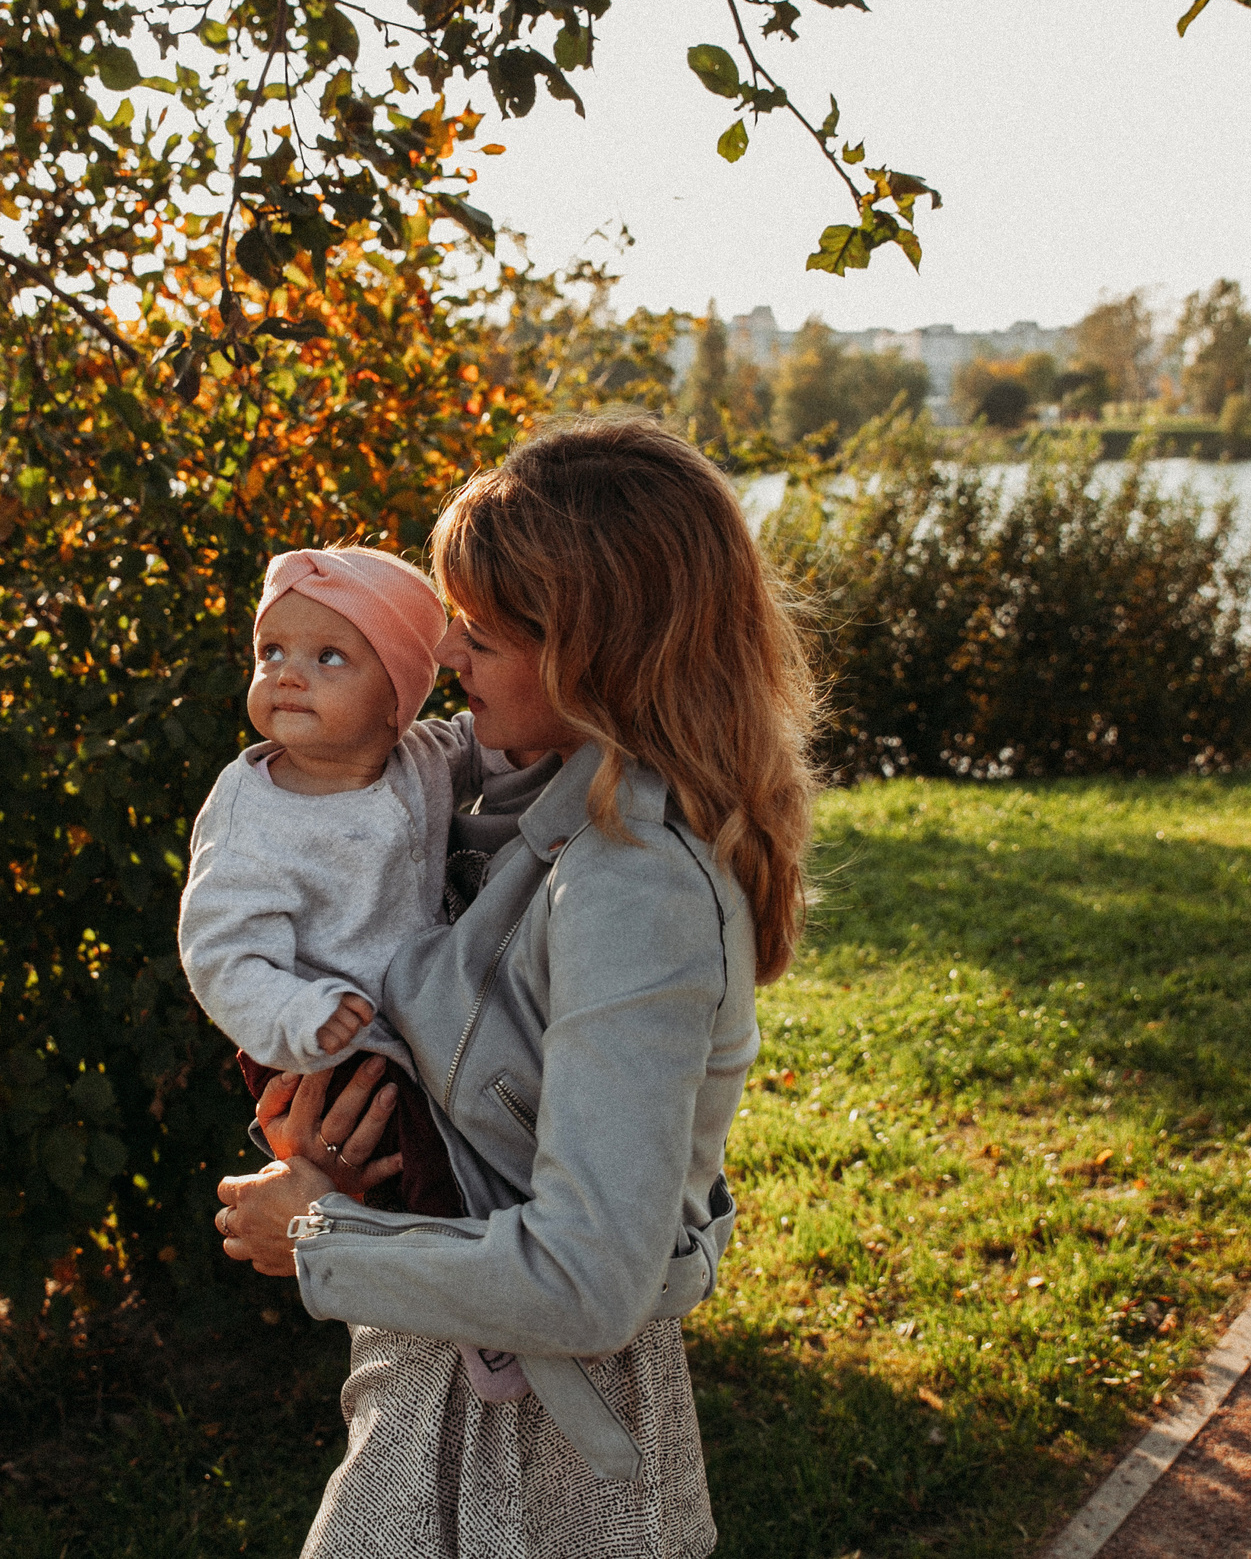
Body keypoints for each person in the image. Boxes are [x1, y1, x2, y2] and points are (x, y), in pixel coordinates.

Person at [213, 419, 817, 1559]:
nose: (446, 655)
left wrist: (323, 1234)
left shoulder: (636, 887)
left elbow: (589, 1280)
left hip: (547, 1452)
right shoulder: (514, 812)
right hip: (438, 1377)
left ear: (597, 649)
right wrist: (354, 1145)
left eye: (481, 632)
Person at [178, 545, 527, 1396]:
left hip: (417, 1017)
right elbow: (219, 949)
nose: (289, 675)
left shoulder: (420, 759)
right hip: (316, 1033)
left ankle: (486, 1291)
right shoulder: (254, 805)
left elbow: (495, 750)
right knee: (408, 1156)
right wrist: (299, 1012)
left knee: (465, 1140)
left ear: (395, 699)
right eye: (272, 653)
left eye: (328, 657)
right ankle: (482, 1332)